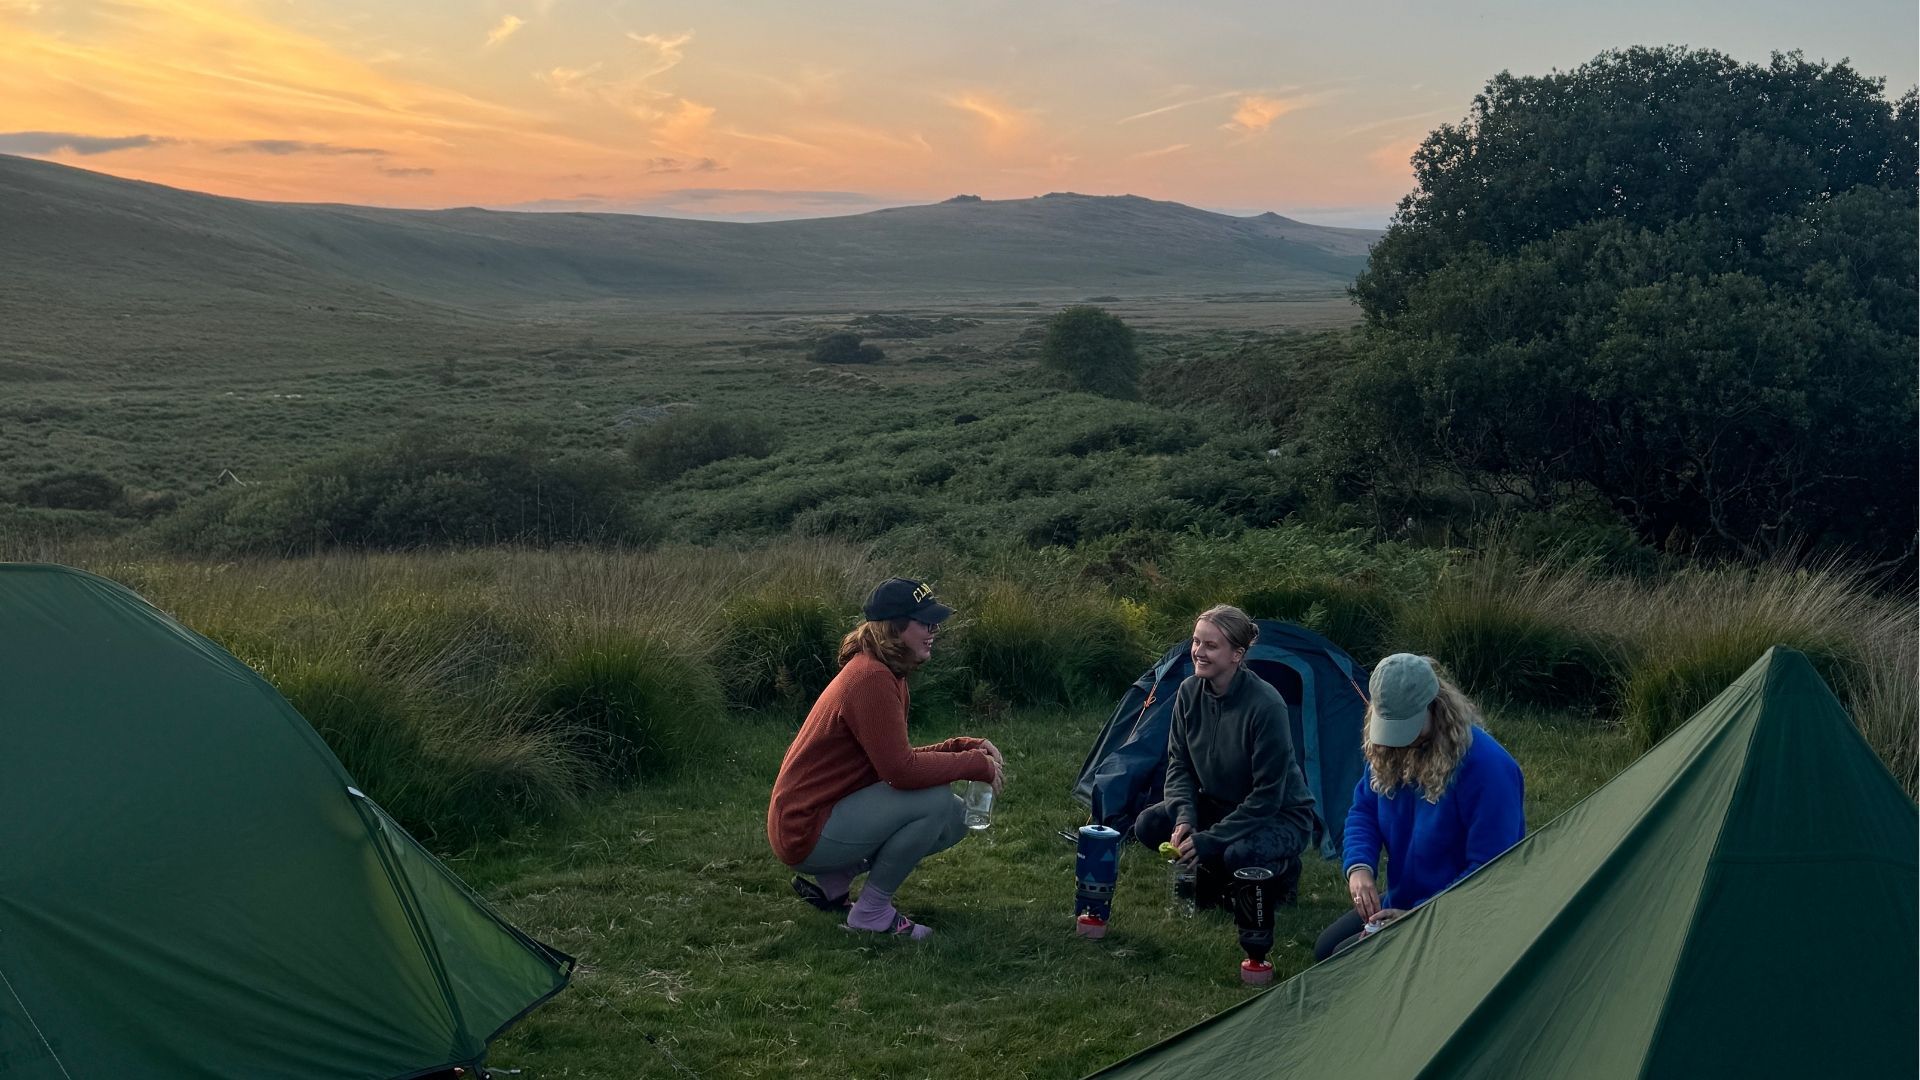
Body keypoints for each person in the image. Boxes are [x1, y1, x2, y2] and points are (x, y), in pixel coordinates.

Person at [767, 577, 1003, 940]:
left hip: (823, 813)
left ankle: (837, 878)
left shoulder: (885, 672)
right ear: (894, 628)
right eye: (925, 622)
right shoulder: (870, 678)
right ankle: (872, 911)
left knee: (955, 818)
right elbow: (900, 772)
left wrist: (957, 747)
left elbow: (890, 759)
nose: (934, 630)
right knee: (935, 800)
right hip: (806, 829)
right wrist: (974, 765)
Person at [1314, 653, 1525, 961]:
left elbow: (1490, 871)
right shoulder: (1387, 750)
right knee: (1325, 950)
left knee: (1344, 962)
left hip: (1459, 912)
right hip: (1405, 899)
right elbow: (1365, 811)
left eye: (1407, 728)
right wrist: (1359, 868)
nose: (1398, 742)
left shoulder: (1489, 768)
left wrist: (1416, 917)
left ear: (1436, 708)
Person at [1131, 605, 1319, 907]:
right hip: (1220, 804)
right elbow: (1179, 765)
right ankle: (1215, 873)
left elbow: (1267, 798)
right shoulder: (1188, 692)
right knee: (1148, 825)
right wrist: (1184, 819)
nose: (1198, 652)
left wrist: (1209, 840)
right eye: (1196, 642)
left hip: (1279, 816)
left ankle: (1284, 871)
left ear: (1237, 654)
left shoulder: (1266, 705)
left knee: (1238, 854)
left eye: (1211, 645)